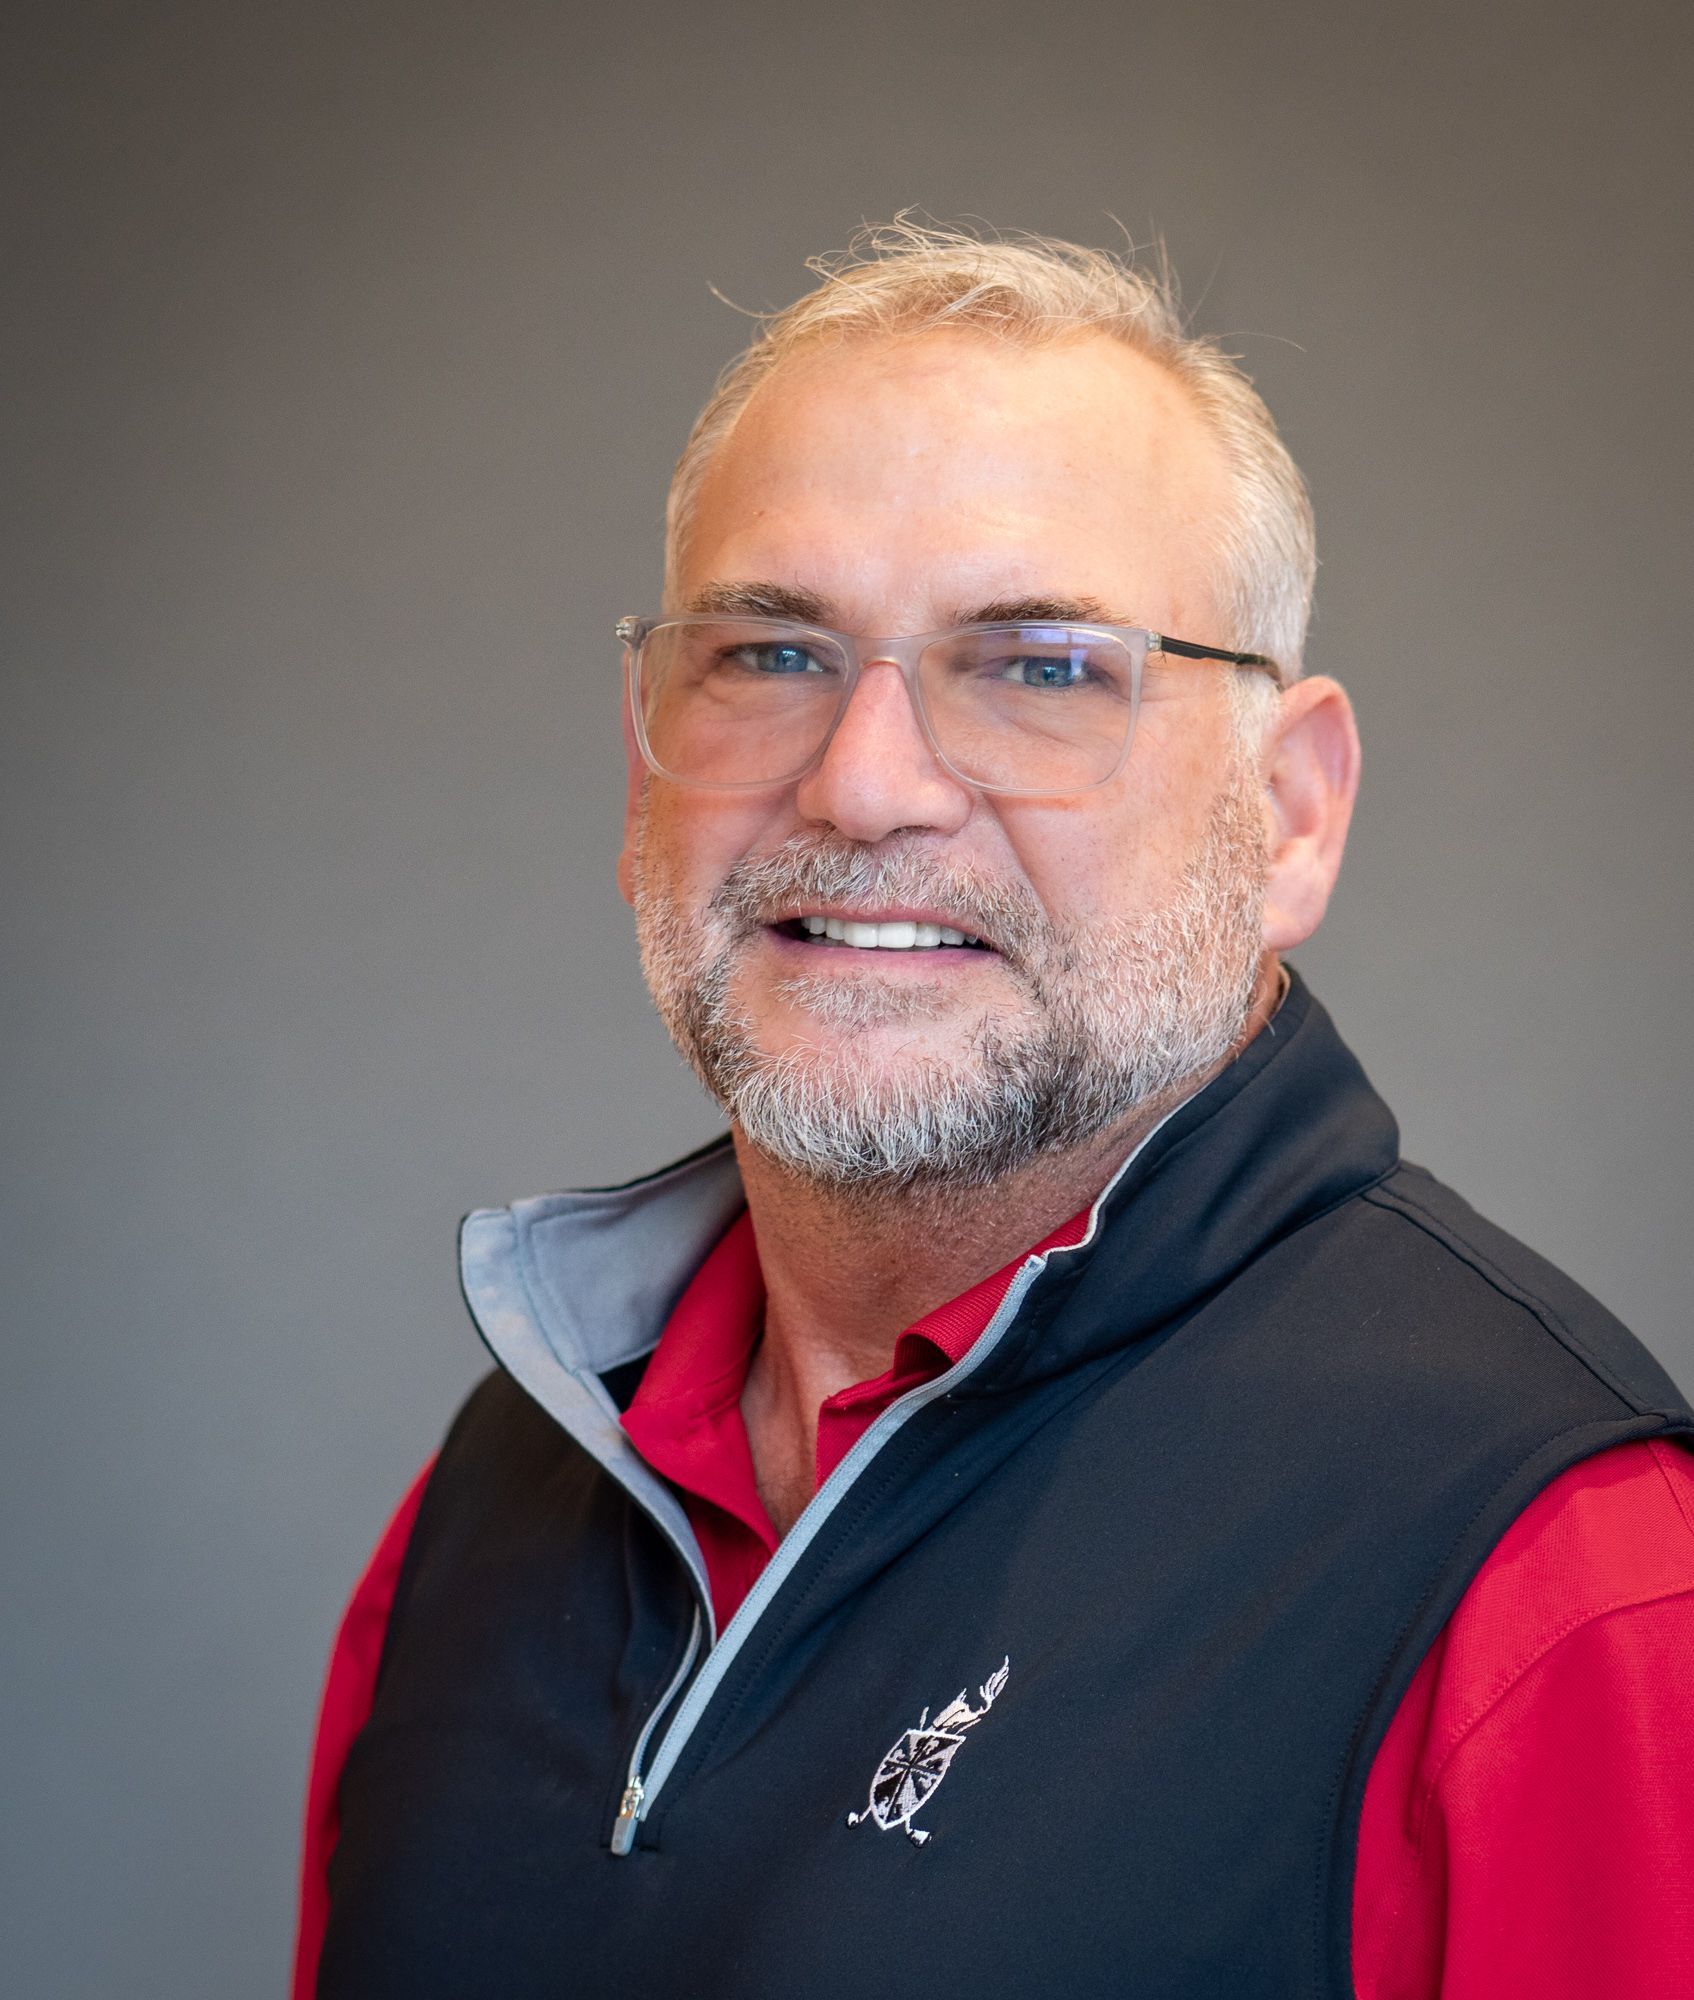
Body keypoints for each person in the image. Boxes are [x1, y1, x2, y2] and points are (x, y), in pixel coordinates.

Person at [293, 223, 1694, 2000]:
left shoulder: (1556, 1582)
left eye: (1038, 666)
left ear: (1289, 815)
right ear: (642, 751)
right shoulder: (482, 1513)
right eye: (770, 653)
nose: (864, 782)